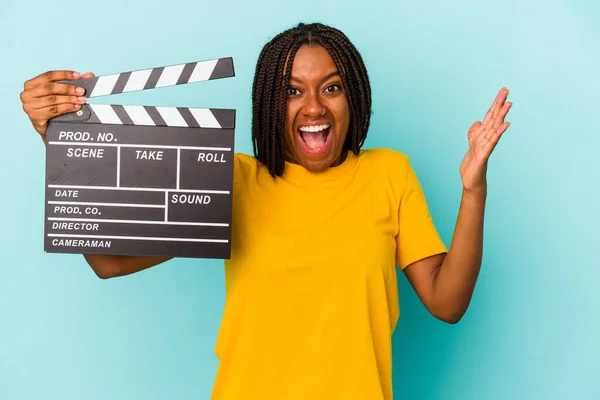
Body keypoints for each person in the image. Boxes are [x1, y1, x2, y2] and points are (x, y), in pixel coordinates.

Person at [20, 22, 512, 400]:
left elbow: (447, 304)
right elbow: (110, 262)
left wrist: (473, 189)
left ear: (354, 97)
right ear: (268, 103)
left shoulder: (389, 174)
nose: (314, 107)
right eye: (292, 90)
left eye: (332, 87)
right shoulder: (232, 179)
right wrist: (64, 142)